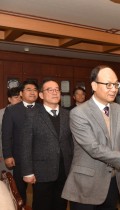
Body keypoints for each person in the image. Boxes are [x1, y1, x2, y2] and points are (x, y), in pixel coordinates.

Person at [62, 65, 120, 210]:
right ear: (94, 85)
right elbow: (94, 148)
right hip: (86, 184)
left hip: (113, 182)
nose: (114, 89)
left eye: (116, 84)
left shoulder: (119, 110)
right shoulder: (79, 113)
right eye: (108, 84)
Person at [20, 79, 73, 210]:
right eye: (50, 90)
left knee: (60, 205)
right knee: (42, 205)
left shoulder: (68, 115)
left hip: (65, 170)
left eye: (57, 89)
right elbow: (26, 145)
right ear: (41, 95)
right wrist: (27, 172)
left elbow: (72, 142)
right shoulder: (31, 115)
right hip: (42, 172)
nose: (55, 92)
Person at [2, 80, 39, 204]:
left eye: (35, 90)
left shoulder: (42, 109)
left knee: (39, 192)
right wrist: (7, 155)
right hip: (19, 158)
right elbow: (6, 135)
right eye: (29, 89)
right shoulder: (12, 110)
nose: (32, 92)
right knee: (19, 191)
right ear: (21, 93)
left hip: (40, 159)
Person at [0, 87, 22, 173]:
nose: (19, 100)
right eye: (16, 97)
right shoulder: (1, 114)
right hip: (4, 156)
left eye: (21, 97)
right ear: (9, 99)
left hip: (21, 156)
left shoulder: (26, 113)